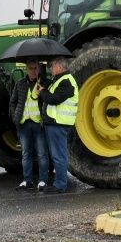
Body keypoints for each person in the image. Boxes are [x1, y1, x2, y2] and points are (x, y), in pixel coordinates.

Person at [39, 55, 80, 193]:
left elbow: (54, 99)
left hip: (59, 124)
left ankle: (60, 185)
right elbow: (51, 89)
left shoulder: (66, 81)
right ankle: (59, 183)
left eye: (52, 66)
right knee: (57, 154)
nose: (51, 68)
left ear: (59, 66)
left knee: (59, 155)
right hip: (55, 124)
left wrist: (42, 92)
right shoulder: (60, 80)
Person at [8, 61, 49, 191]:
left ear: (39, 69)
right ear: (27, 69)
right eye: (30, 68)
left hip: (39, 124)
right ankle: (27, 180)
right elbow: (13, 102)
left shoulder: (44, 83)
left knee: (42, 153)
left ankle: (42, 181)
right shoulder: (20, 84)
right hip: (24, 124)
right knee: (26, 154)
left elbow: (49, 101)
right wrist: (15, 118)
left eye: (35, 68)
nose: (33, 71)